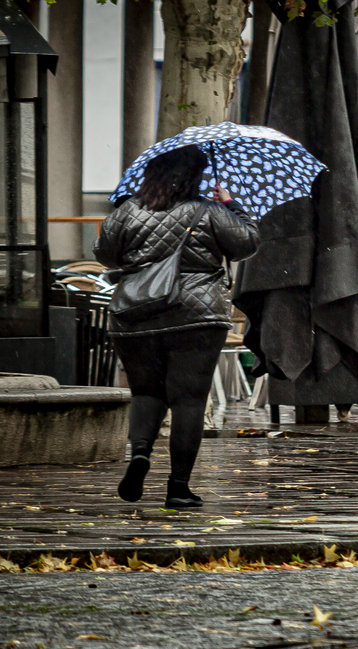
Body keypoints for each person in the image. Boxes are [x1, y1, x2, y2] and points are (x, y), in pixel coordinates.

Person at [95, 145, 259, 509]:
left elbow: (105, 254)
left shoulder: (126, 210)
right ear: (195, 177)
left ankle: (139, 455)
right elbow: (246, 243)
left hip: (134, 314)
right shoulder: (210, 210)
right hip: (195, 316)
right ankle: (178, 487)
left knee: (146, 392)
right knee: (188, 401)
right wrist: (232, 205)